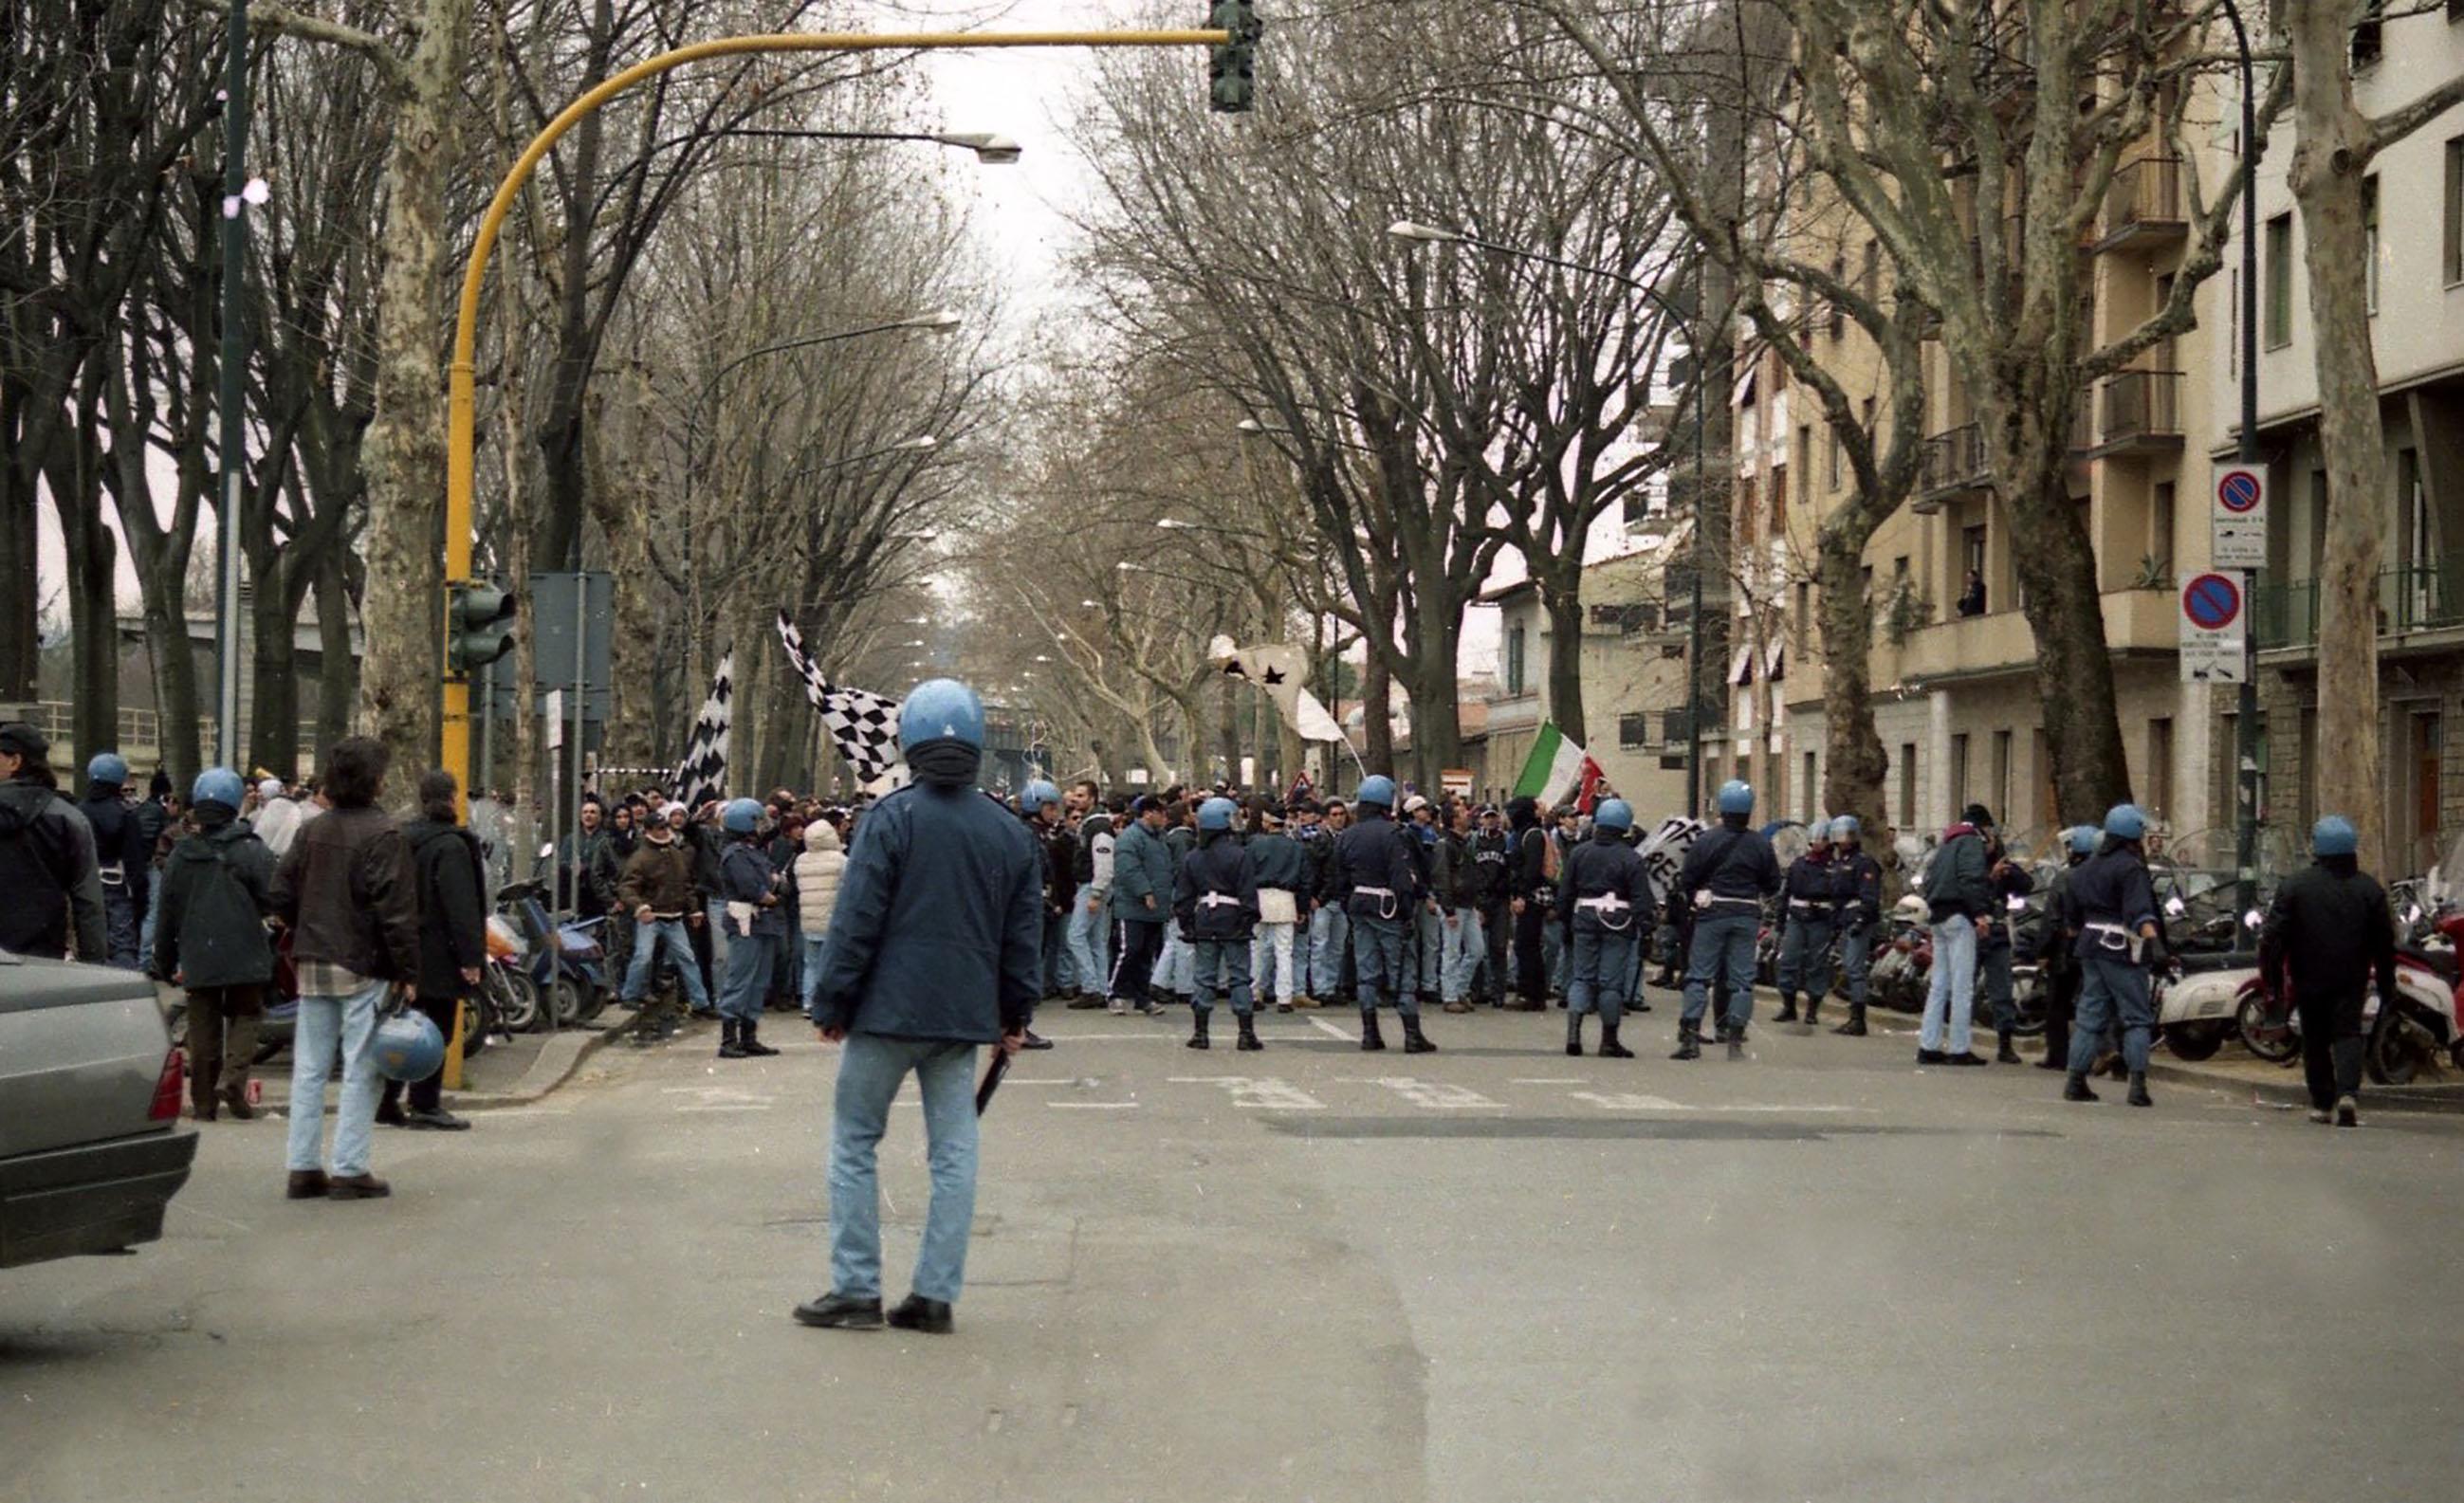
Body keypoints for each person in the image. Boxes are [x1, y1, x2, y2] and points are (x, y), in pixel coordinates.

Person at [796, 679, 1041, 1336]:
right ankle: (934, 1292)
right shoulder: (1009, 832)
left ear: (910, 740)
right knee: (954, 1151)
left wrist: (832, 1000)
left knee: (854, 1140)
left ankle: (855, 1287)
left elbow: (857, 919)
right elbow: (1022, 938)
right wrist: (1016, 1015)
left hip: (885, 1010)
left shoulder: (891, 818)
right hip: (962, 1017)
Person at [271, 736, 419, 1201]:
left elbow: (278, 892)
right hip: (364, 964)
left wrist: (305, 925)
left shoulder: (312, 830)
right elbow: (395, 912)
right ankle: (350, 1168)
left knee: (310, 1069)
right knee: (361, 1068)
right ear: (376, 781)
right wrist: (407, 971)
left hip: (312, 959)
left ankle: (302, 1166)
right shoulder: (385, 834)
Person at [152, 767, 277, 1121]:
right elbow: (273, 897)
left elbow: (166, 914)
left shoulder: (179, 855)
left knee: (202, 1025)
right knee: (246, 1014)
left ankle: (204, 1104)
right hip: (245, 951)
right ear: (235, 803)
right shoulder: (252, 850)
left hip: (198, 954)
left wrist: (163, 959)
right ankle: (234, 1079)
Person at [2259, 815, 2396, 1127]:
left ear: (2317, 848)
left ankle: (2322, 1102)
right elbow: (2384, 943)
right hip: (2352, 975)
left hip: (2308, 975)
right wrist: (2387, 983)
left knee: (2315, 1037)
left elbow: (2273, 938)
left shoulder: (2295, 887)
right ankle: (2348, 1094)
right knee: (2348, 1032)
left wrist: (2273, 981)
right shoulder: (2369, 889)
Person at [379, 769, 484, 1132]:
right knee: (437, 1031)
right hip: (440, 952)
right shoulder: (451, 846)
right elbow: (461, 906)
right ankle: (425, 1103)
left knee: (399, 1027)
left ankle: (387, 1098)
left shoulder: (402, 840)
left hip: (403, 948)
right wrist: (471, 958)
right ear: (453, 798)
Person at [2060, 804, 2163, 1108]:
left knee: (2090, 1016)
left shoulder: (2086, 868)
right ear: (2133, 833)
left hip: (2090, 946)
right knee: (2136, 1017)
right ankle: (2137, 1086)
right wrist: (2154, 944)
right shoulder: (2130, 867)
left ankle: (2075, 1081)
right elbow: (2139, 912)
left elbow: (2072, 918)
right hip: (2120, 947)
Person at [1672, 780, 1780, 1060]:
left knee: (1699, 975)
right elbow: (1773, 884)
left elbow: (1688, 878)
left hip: (1713, 912)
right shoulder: (1760, 843)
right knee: (1742, 979)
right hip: (1746, 913)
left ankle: (1691, 1037)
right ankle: (1735, 1039)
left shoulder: (1707, 840)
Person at [1332, 775, 1437, 1054]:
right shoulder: (1394, 835)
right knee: (1402, 968)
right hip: (1387, 906)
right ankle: (1412, 1035)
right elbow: (1401, 878)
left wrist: (1348, 904)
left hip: (1359, 905)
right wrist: (1406, 914)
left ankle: (1370, 1033)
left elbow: (1339, 878)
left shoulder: (1347, 835)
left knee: (1366, 970)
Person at [0, 721, 106, 961]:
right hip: (41, 963)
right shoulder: (68, 818)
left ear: (14, 761)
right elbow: (89, 903)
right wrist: (95, 964)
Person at [1558, 797, 1648, 1058]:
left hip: (1584, 916)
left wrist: (1566, 921)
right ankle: (1609, 1040)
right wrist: (1647, 926)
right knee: (1610, 983)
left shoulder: (1579, 852)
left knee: (1581, 976)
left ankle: (1573, 1035)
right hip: (1618, 920)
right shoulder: (1630, 858)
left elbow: (1566, 891)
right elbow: (1641, 897)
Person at [616, 805, 712, 1040]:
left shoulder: (675, 854)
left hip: (674, 916)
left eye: (664, 827)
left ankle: (700, 1002)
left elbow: (686, 884)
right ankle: (630, 995)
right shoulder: (640, 858)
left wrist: (694, 910)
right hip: (652, 916)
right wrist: (639, 907)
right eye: (659, 828)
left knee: (687, 958)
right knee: (643, 956)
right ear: (649, 830)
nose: (663, 832)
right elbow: (627, 887)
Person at [1175, 796, 1262, 1051]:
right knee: (1239, 977)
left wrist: (1187, 923)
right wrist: (1248, 919)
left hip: (1205, 917)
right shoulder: (1239, 855)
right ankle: (1246, 1033)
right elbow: (1247, 891)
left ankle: (1201, 1032)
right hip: (1233, 918)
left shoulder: (1193, 857)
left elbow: (1183, 895)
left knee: (1204, 976)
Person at [1919, 804, 1996, 1067]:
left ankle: (1928, 1045)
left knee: (1939, 985)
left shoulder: (1946, 844)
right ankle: (1959, 1048)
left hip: (1938, 916)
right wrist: (1980, 913)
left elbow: (1929, 880)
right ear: (1982, 826)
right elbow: (1971, 879)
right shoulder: (1971, 842)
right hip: (1959, 916)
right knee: (1963, 986)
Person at [714, 797, 786, 1059]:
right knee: (741, 978)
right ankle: (728, 1038)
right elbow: (752, 887)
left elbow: (775, 880)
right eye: (757, 821)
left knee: (759, 981)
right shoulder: (735, 853)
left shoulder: (755, 851)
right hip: (746, 920)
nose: (762, 827)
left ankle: (749, 1035)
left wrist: (775, 886)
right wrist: (769, 891)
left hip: (764, 922)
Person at [78, 752, 151, 969]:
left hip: (82, 888)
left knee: (87, 949)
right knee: (122, 950)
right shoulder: (125, 815)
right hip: (115, 889)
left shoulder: (76, 812)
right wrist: (141, 903)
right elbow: (136, 867)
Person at [2034, 826, 2098, 1071]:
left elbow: (2051, 918)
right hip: (2096, 948)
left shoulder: (2065, 877)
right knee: (2093, 1004)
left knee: (2057, 1005)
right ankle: (2096, 1054)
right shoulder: (2104, 876)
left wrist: (2042, 951)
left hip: (2066, 950)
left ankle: (2058, 1056)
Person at [1107, 796, 1174, 1016]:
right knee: (1129, 950)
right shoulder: (1130, 838)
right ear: (1148, 814)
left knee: (1146, 953)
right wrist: (1145, 891)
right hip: (1133, 906)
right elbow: (1128, 869)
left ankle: (1142, 996)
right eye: (1161, 813)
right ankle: (1115, 993)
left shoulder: (1160, 839)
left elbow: (1165, 871)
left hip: (1155, 908)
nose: (1165, 818)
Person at [1977, 825, 2037, 1064]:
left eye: (1990, 837)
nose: (1987, 841)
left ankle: (2005, 1041)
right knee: (1961, 986)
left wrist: (2008, 871)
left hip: (1998, 930)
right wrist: (1989, 877)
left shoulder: (2003, 863)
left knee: (2002, 988)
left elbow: (2027, 884)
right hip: (1974, 928)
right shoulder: (1970, 864)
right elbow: (1970, 891)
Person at [1245, 798, 1309, 1015]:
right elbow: (1304, 880)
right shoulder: (1296, 847)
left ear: (1267, 822)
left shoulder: (1254, 844)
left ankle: (1255, 993)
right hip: (1286, 898)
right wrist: (1302, 908)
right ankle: (1284, 997)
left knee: (1257, 949)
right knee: (1284, 951)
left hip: (1259, 897)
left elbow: (1245, 875)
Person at [1773, 820, 1839, 1027]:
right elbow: (1786, 894)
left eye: (1823, 840)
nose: (1817, 844)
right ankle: (1789, 1007)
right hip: (1798, 917)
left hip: (1821, 920)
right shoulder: (1799, 864)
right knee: (1788, 961)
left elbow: (1839, 897)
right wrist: (1780, 922)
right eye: (1815, 840)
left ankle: (1812, 1010)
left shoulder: (1835, 868)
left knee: (1816, 964)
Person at [1830, 816, 1885, 1036]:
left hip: (1858, 920)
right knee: (1849, 966)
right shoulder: (1839, 862)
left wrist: (1861, 919)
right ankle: (1853, 1015)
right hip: (1845, 918)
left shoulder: (1863, 862)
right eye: (1839, 836)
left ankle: (1858, 1019)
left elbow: (1869, 895)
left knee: (1855, 968)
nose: (1842, 841)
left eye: (1846, 836)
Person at [1065, 801, 1117, 1008]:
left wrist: (1096, 892)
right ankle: (1101, 988)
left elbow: (1104, 863)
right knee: (1097, 940)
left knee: (1076, 936)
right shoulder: (1098, 826)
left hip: (1092, 885)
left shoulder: (1098, 828)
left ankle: (1091, 987)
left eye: (1081, 796)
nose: (1075, 800)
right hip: (1095, 885)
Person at [794, 816, 846, 1017]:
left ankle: (808, 1002)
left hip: (809, 920)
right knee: (833, 964)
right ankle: (830, 1003)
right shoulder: (841, 861)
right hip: (833, 920)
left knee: (811, 964)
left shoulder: (801, 861)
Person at [1506, 796, 1553, 1012]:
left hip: (1532, 897)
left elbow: (1531, 870)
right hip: (1532, 895)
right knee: (1529, 945)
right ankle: (1535, 993)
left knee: (1526, 945)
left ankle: (1530, 994)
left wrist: (1521, 895)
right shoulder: (1527, 833)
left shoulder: (1531, 836)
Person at [1306, 799, 1352, 1005]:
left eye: (1341, 814)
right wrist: (1316, 897)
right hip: (1324, 901)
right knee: (1320, 945)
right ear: (1325, 819)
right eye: (1334, 814)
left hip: (1341, 899)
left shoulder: (1348, 839)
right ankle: (1320, 987)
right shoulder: (1321, 840)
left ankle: (1332, 986)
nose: (1339, 818)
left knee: (1337, 947)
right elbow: (1315, 870)